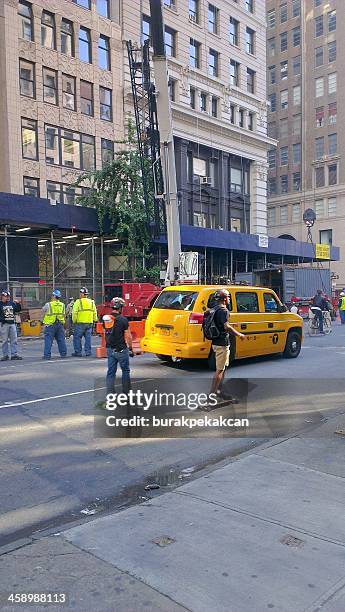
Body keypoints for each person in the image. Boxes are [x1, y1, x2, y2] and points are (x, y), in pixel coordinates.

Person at [208, 289, 245, 400]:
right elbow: (226, 327)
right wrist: (239, 334)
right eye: (228, 297)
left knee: (223, 368)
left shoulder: (214, 309)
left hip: (216, 342)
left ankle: (219, 391)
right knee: (219, 370)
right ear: (224, 299)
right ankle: (211, 396)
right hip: (222, 344)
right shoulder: (223, 310)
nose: (229, 299)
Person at [104, 297, 133, 393]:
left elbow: (106, 334)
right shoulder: (123, 320)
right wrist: (130, 348)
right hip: (121, 349)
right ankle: (126, 392)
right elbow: (128, 336)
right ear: (120, 308)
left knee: (111, 372)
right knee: (125, 371)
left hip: (110, 349)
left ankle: (110, 393)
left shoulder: (107, 319)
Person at [72, 287, 97, 357]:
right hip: (89, 323)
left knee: (77, 338)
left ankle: (78, 352)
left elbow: (74, 312)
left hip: (80, 323)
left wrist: (74, 321)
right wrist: (95, 320)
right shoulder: (92, 302)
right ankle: (88, 352)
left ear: (81, 294)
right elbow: (94, 312)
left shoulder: (78, 302)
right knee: (88, 338)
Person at [42, 289, 67, 360]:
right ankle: (63, 354)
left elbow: (43, 310)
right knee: (61, 340)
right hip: (60, 325)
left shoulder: (48, 304)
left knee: (48, 340)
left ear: (54, 296)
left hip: (50, 325)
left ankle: (47, 356)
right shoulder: (62, 305)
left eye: (52, 295)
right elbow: (64, 315)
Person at [0, 290, 22, 361]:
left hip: (12, 324)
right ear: (2, 296)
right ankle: (5, 355)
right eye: (6, 296)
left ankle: (14, 355)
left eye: (8, 296)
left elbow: (17, 310)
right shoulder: (0, 304)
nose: (7, 298)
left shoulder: (11, 303)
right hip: (4, 324)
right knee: (4, 341)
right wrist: (3, 319)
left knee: (14, 340)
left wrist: (18, 304)